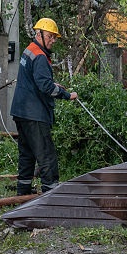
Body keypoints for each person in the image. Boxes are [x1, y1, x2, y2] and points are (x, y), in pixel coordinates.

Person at [9, 18, 78, 196]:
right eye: (50, 36)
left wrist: (52, 83)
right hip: (35, 114)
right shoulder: (40, 56)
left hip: (21, 112)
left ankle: (23, 193)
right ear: (38, 34)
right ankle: (51, 197)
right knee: (46, 156)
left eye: (54, 37)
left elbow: (36, 79)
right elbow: (45, 87)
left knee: (27, 154)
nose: (53, 40)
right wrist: (67, 95)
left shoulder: (29, 50)